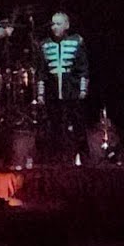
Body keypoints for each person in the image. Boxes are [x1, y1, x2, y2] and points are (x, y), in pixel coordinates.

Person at [36, 12, 89, 163]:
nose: (54, 27)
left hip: (71, 90)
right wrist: (41, 93)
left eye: (58, 24)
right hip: (53, 93)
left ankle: (84, 156)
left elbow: (83, 68)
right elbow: (41, 72)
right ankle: (56, 158)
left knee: (78, 124)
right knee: (55, 126)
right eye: (53, 24)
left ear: (67, 25)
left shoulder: (76, 42)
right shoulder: (45, 45)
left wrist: (83, 89)